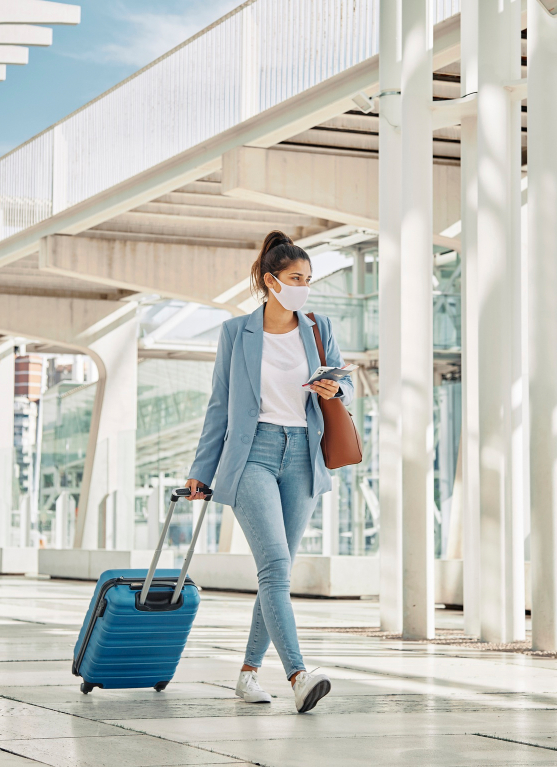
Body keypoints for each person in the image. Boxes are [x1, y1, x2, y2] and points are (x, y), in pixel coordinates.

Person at [184, 230, 353, 714]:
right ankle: (299, 675)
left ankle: (248, 673)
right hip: (252, 452)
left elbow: (343, 387)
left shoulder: (318, 328)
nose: (304, 287)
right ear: (269, 280)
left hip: (302, 452)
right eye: (296, 278)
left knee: (274, 572)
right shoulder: (236, 333)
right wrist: (202, 470)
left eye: (308, 279)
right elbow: (220, 404)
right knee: (276, 566)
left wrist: (332, 391)